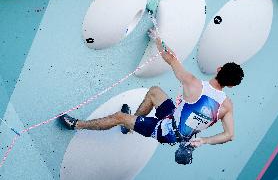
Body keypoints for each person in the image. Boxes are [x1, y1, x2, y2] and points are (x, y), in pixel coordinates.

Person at [60, 28, 244, 150]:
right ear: (232, 85)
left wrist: (157, 38)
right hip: (175, 120)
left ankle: (77, 125)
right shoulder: (227, 105)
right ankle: (130, 126)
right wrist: (204, 141)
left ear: (218, 69)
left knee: (119, 117)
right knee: (154, 91)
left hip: (166, 131)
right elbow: (230, 135)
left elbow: (171, 58)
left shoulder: (193, 83)